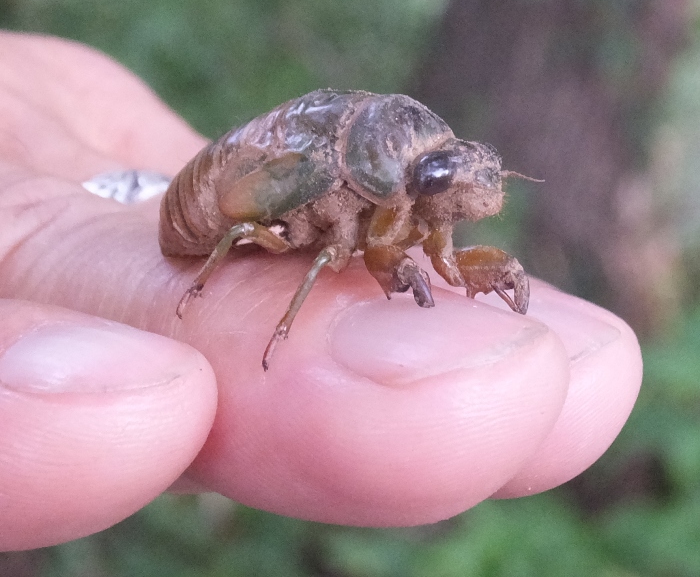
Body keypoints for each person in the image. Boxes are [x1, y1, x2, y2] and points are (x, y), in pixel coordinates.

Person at [0, 31, 642, 550]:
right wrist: (273, 323)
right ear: (389, 168)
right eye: (444, 178)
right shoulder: (351, 183)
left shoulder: (403, 190)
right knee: (307, 258)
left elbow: (431, 259)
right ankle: (277, 326)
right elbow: (309, 253)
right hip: (202, 211)